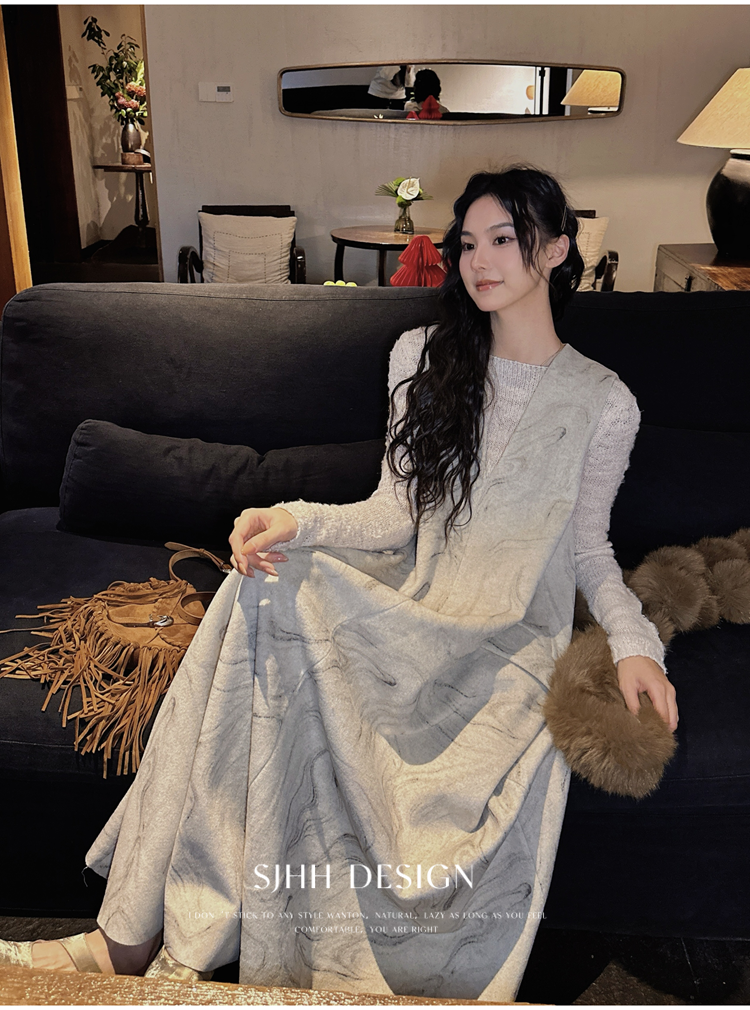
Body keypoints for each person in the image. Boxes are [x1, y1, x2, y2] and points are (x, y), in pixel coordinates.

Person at [1, 167, 677, 1000]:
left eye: (505, 239)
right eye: (469, 242)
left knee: (272, 604)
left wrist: (636, 645)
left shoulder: (605, 403)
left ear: (558, 250)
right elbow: (392, 513)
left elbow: (590, 550)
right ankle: (128, 936)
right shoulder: (422, 357)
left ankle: (187, 941)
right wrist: (293, 518)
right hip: (409, 600)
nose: (480, 260)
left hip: (507, 643)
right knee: (265, 582)